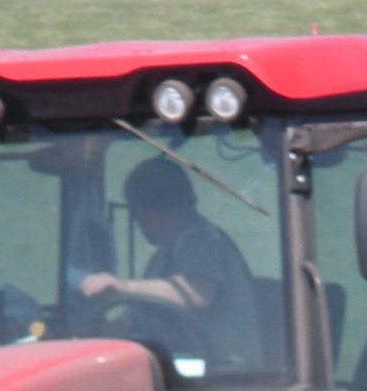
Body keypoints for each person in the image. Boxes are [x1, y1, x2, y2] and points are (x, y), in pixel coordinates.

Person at [77, 155, 262, 366]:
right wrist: (95, 332)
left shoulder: (202, 239)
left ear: (145, 211)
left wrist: (123, 285)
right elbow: (133, 320)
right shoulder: (166, 254)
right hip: (183, 365)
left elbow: (197, 293)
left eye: (137, 214)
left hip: (226, 371)